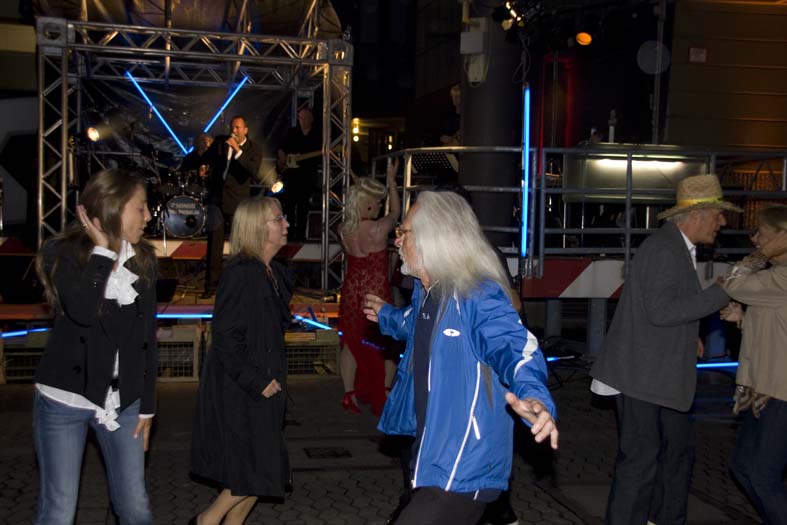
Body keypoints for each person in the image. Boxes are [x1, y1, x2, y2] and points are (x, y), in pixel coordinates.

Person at [363, 191, 558, 525]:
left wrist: (535, 396)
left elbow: (515, 347)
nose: (397, 241)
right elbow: (413, 325)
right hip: (434, 454)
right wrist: (386, 315)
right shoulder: (429, 293)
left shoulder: (475, 294)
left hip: (465, 464)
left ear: (432, 238)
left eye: (403, 232)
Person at [590, 174, 741, 525]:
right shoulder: (663, 249)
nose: (722, 222)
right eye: (717, 214)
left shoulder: (674, 246)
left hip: (656, 374)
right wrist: (720, 293)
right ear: (696, 215)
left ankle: (664, 517)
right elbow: (661, 311)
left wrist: (690, 337)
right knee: (640, 462)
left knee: (676, 453)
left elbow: (663, 307)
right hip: (641, 376)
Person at [32, 169, 158, 525]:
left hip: (123, 401)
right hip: (64, 400)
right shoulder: (62, 253)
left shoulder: (143, 259)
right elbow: (82, 312)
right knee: (58, 512)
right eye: (141, 208)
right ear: (113, 209)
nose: (149, 216)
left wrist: (148, 407)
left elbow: (145, 339)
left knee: (135, 508)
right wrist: (102, 251)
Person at [190, 196, 293, 525]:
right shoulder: (241, 274)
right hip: (242, 388)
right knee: (257, 467)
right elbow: (225, 337)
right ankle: (207, 521)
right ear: (257, 228)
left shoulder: (272, 272)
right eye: (278, 219)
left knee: (259, 470)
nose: (286, 224)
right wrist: (257, 380)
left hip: (266, 382)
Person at [719, 205, 787, 524]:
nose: (755, 238)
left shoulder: (782, 276)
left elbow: (734, 283)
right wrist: (744, 318)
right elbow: (777, 325)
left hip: (781, 394)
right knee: (744, 467)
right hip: (767, 389)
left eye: (762, 233)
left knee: (762, 475)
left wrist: (757, 258)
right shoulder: (777, 278)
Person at [338, 159, 400, 415]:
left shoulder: (344, 230)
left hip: (352, 291)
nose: (380, 207)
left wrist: (360, 186)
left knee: (351, 343)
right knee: (386, 342)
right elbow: (396, 212)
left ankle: (349, 394)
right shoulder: (378, 228)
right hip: (376, 293)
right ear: (368, 204)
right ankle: (384, 390)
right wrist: (391, 182)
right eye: (377, 202)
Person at [203, 116, 263, 296]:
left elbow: (253, 172)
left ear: (245, 130)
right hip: (218, 199)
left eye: (237, 127)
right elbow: (208, 158)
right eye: (232, 127)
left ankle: (240, 284)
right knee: (214, 245)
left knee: (241, 244)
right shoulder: (221, 143)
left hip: (238, 201)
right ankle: (211, 286)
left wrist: (237, 150)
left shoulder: (254, 149)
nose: (234, 130)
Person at [277, 106, 322, 240]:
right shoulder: (292, 132)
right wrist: (283, 158)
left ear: (311, 119)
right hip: (291, 177)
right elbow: (280, 148)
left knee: (303, 207)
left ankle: (301, 236)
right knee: (289, 207)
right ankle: (289, 235)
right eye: (301, 118)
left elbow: (318, 157)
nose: (303, 121)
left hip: (307, 177)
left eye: (306, 118)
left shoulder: (317, 135)